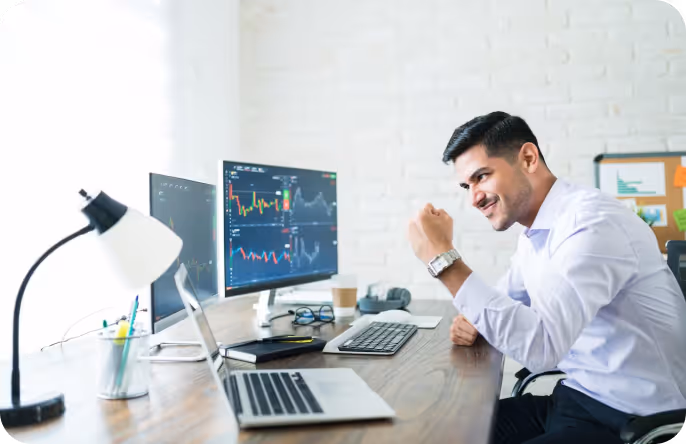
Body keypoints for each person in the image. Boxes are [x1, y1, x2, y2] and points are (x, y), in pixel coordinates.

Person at [406, 111, 686, 444]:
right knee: (443, 432)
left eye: (482, 176)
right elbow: (504, 300)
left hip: (634, 422)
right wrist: (477, 319)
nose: (474, 198)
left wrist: (444, 261)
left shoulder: (591, 225)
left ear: (528, 158)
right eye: (468, 185)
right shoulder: (536, 232)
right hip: (576, 397)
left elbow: (542, 348)